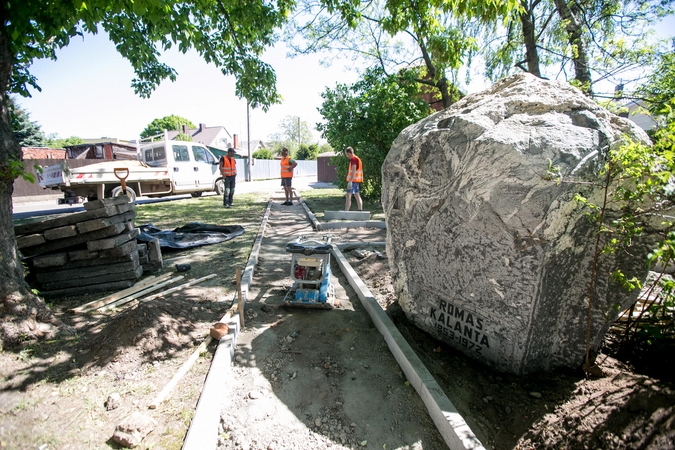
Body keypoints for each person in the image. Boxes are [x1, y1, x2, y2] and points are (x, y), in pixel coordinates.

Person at [344, 146, 363, 211]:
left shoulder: (353, 159)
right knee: (357, 195)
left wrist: (350, 181)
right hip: (356, 180)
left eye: (346, 154)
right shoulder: (357, 158)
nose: (347, 156)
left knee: (348, 195)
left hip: (353, 181)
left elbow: (354, 171)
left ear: (349, 153)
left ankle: (346, 212)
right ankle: (360, 210)